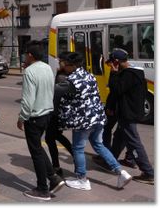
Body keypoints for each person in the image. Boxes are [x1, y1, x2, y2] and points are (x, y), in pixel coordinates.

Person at [57, 52, 132, 191]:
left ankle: (82, 179)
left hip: (84, 121)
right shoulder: (89, 75)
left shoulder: (72, 79)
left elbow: (60, 97)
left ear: (71, 65)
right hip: (98, 117)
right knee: (99, 145)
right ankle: (121, 172)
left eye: (63, 64)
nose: (62, 67)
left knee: (78, 148)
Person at [17, 40, 64, 201]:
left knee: (35, 152)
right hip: (47, 114)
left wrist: (21, 118)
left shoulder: (29, 72)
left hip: (34, 117)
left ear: (30, 55)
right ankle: (53, 178)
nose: (24, 58)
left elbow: (28, 100)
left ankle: (43, 188)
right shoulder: (47, 68)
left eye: (25, 55)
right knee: (38, 148)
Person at [106, 49, 154, 185]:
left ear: (116, 61)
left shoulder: (127, 75)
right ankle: (112, 159)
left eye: (112, 63)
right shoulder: (137, 73)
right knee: (120, 136)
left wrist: (113, 72)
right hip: (131, 111)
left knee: (133, 141)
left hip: (128, 113)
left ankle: (148, 172)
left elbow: (116, 89)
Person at [45, 51, 73, 177]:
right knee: (55, 136)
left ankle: (56, 166)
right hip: (59, 112)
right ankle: (73, 155)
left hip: (56, 112)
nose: (58, 62)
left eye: (60, 60)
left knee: (50, 138)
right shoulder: (64, 74)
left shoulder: (63, 77)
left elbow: (55, 93)